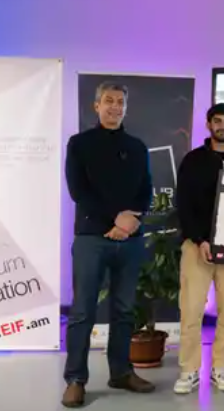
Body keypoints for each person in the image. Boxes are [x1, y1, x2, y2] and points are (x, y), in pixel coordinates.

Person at [62, 81, 154, 408]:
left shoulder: (137, 146)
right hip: (91, 238)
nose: (115, 107)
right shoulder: (79, 143)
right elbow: (79, 191)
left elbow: (146, 190)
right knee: (82, 312)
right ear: (96, 106)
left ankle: (121, 372)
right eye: (108, 101)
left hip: (129, 240)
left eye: (120, 102)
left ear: (125, 108)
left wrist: (131, 220)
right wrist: (114, 220)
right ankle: (75, 379)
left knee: (124, 310)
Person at [173, 103, 224, 394]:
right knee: (191, 310)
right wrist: (199, 239)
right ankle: (189, 370)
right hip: (196, 245)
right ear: (208, 125)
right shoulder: (193, 159)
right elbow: (183, 203)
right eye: (217, 120)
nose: (222, 125)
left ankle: (221, 367)